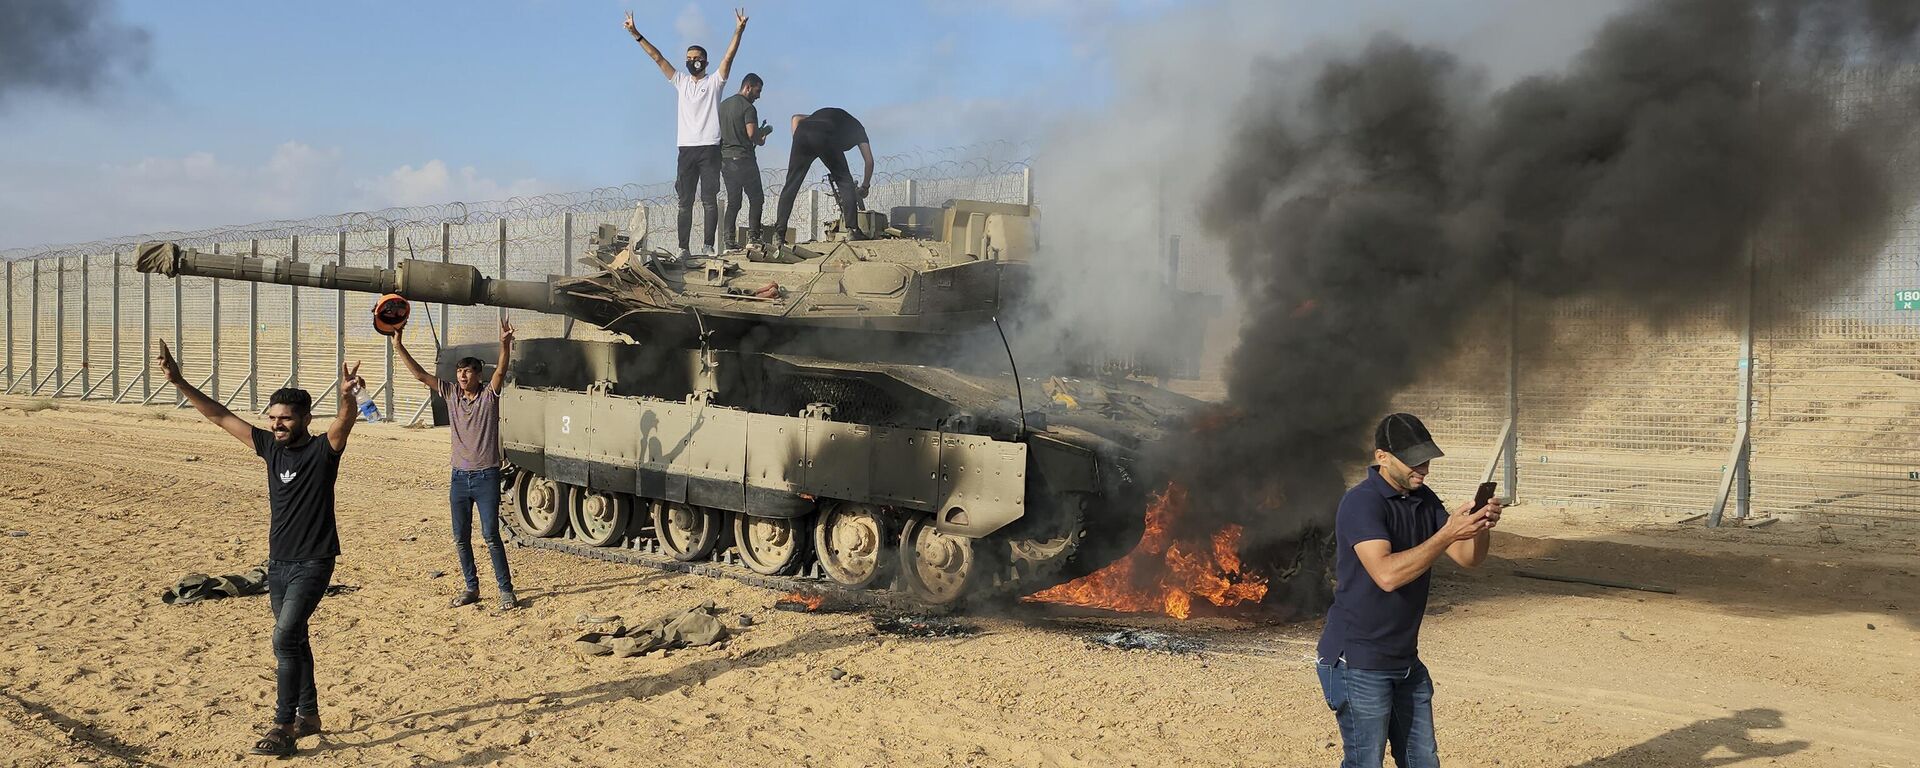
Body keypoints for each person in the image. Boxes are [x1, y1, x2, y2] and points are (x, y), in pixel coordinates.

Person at [153, 340, 362, 757]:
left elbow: (344, 421)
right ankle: (310, 716)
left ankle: (283, 725)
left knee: (283, 638)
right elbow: (220, 416)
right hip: (278, 563)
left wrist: (345, 398)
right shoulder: (269, 447)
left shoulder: (323, 450)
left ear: (304, 418)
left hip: (313, 562)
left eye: (285, 419)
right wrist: (179, 382)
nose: (277, 425)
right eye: (272, 418)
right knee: (295, 638)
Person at [1315, 412, 1501, 768]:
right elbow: (1386, 575)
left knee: (1422, 760)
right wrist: (1447, 533)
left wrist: (1479, 526)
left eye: (1427, 459)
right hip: (1357, 661)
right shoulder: (1362, 503)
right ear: (1382, 457)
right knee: (1365, 762)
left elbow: (1468, 559)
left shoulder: (1424, 498)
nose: (1424, 468)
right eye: (1414, 461)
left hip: (1404, 660)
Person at [392, 318, 517, 612]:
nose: (461, 375)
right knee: (460, 538)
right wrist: (398, 345)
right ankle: (471, 587)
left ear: (478, 375)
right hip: (459, 478)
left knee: (490, 535)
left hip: (486, 477)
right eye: (459, 371)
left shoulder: (489, 397)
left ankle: (505, 590)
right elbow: (421, 376)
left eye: (467, 371)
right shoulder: (450, 394)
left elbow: (501, 370)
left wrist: (504, 344)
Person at [624, 8, 749, 262]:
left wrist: (738, 31)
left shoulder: (714, 82)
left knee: (709, 200)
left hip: (710, 148)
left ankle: (708, 246)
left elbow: (729, 57)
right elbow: (658, 58)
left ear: (705, 61)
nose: (693, 61)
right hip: (686, 149)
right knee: (684, 202)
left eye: (697, 57)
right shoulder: (680, 81)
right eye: (689, 57)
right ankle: (683, 247)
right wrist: (636, 34)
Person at [770, 107, 875, 246]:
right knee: (845, 182)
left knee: (791, 184)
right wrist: (865, 186)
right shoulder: (859, 130)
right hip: (824, 134)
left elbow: (796, 118)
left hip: (802, 133)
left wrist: (798, 144)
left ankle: (779, 234)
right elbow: (869, 161)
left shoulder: (827, 118)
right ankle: (853, 230)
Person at [718, 73, 769, 248]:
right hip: (744, 160)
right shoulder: (748, 108)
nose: (759, 95)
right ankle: (753, 238)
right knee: (756, 198)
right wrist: (760, 138)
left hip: (725, 160)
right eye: (757, 90)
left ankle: (728, 240)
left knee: (734, 201)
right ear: (748, 87)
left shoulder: (722, 106)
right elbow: (751, 134)